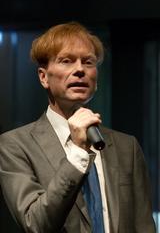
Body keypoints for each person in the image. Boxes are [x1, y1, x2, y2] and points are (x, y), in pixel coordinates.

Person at [0, 22, 156, 233]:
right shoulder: (15, 145)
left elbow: (143, 225)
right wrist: (77, 153)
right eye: (66, 61)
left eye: (88, 62)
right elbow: (35, 223)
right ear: (43, 77)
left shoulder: (127, 146)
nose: (80, 70)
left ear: (96, 78)